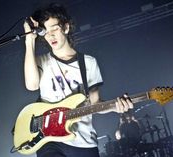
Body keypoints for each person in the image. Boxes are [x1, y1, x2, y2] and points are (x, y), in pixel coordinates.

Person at [23, 3, 133, 157]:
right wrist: (29, 40)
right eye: (46, 31)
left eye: (54, 28)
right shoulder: (41, 62)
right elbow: (32, 85)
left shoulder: (88, 63)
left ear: (66, 28)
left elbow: (95, 103)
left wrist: (115, 106)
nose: (50, 35)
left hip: (83, 142)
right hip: (49, 139)